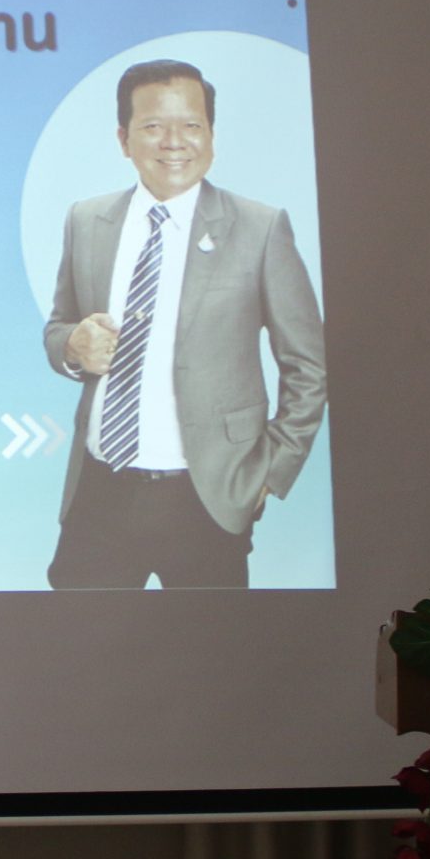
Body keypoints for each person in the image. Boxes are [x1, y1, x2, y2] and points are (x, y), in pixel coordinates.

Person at [42, 58, 326, 588]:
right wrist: (72, 347)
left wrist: (269, 474)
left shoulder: (261, 228)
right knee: (79, 637)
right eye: (153, 126)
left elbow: (307, 366)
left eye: (192, 125)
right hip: (99, 490)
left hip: (209, 496)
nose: (174, 142)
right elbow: (60, 326)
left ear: (211, 135)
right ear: (124, 139)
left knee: (208, 640)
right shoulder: (86, 220)